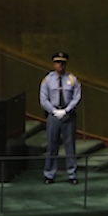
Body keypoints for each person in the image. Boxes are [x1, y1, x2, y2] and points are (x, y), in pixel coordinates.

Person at [40, 51, 80, 184]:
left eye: (62, 63)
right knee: (52, 145)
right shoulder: (48, 80)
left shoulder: (72, 79)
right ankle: (49, 174)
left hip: (68, 115)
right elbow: (43, 99)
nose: (60, 65)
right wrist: (54, 111)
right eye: (58, 62)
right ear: (54, 64)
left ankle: (72, 174)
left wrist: (67, 110)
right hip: (53, 115)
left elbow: (77, 97)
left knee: (70, 145)